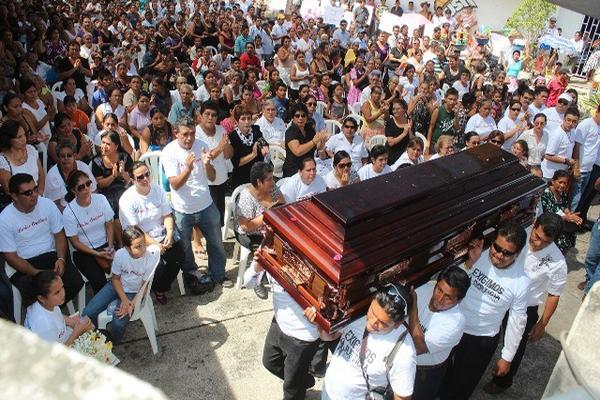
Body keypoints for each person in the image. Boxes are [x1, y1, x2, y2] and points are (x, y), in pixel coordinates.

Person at [440, 222, 530, 400]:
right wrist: (469, 263)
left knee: (460, 387)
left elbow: (517, 322)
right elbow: (450, 282)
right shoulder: (478, 253)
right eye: (497, 247)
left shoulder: (521, 282)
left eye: (507, 253)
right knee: (437, 374)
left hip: (480, 340)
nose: (498, 255)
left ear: (517, 254)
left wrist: (507, 357)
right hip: (451, 324)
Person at [483, 213, 567, 394]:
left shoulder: (558, 262)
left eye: (545, 242)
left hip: (525, 307)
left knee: (516, 345)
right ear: (535, 225)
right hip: (498, 294)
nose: (538, 244)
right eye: (536, 237)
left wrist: (543, 323)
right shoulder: (519, 234)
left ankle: (502, 381)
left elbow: (554, 294)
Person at [161, 117, 230, 292]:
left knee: (216, 244)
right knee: (185, 249)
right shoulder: (169, 152)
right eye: (185, 134)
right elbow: (174, 184)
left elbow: (212, 177)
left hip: (206, 204)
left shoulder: (202, 145)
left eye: (192, 133)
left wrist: (207, 165)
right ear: (176, 133)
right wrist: (188, 169)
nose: (189, 138)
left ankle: (218, 275)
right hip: (182, 209)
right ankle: (192, 276)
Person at [318, 283, 417, 400]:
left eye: (382, 323)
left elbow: (402, 397)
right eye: (373, 312)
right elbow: (328, 337)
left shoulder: (404, 352)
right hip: (328, 391)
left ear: (398, 324)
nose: (372, 321)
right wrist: (318, 320)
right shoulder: (357, 312)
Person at [0, 173, 84, 304]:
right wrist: (36, 273)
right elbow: (11, 258)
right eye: (27, 193)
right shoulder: (4, 219)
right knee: (37, 294)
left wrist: (61, 259)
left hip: (50, 256)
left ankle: (53, 314)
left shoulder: (47, 204)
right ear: (14, 196)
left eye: (35, 189)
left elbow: (59, 234)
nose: (34, 195)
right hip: (24, 265)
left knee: (75, 282)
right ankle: (48, 317)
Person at [119, 162, 185, 304]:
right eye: (140, 177)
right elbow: (135, 229)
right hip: (140, 240)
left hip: (161, 234)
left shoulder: (158, 190)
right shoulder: (127, 199)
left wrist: (169, 234)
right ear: (132, 180)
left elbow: (167, 215)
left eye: (147, 174)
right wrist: (155, 244)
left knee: (179, 256)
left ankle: (159, 288)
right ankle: (152, 288)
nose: (145, 179)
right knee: (158, 265)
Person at [83, 226, 160, 343]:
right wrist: (124, 300)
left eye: (144, 243)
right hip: (116, 286)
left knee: (118, 323)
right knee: (88, 312)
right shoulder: (120, 255)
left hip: (135, 291)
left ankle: (112, 341)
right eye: (138, 246)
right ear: (127, 248)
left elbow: (144, 287)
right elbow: (115, 279)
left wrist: (132, 304)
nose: (143, 248)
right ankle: (94, 337)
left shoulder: (150, 259)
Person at [408, 266, 470, 400]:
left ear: (459, 300)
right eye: (439, 290)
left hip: (422, 374)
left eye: (448, 297)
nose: (440, 299)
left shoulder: (455, 323)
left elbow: (418, 346)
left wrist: (413, 306)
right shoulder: (424, 289)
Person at [62, 170, 114, 295]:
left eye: (88, 183)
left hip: (105, 245)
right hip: (84, 252)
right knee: (99, 282)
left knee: (125, 269)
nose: (86, 188)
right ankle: (103, 309)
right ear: (73, 191)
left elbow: (110, 223)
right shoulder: (69, 212)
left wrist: (110, 246)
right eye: (81, 187)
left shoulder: (101, 199)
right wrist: (96, 253)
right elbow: (75, 242)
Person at [24, 270, 93, 345]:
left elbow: (55, 315)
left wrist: (71, 321)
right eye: (57, 292)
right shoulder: (44, 325)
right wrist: (77, 332)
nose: (63, 293)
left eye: (62, 287)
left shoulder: (46, 304)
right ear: (41, 298)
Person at [195, 103, 234, 225]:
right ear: (200, 116)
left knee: (219, 217)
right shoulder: (195, 133)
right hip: (204, 181)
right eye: (207, 114)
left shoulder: (221, 130)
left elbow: (229, 155)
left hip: (221, 178)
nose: (210, 118)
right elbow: (206, 157)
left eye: (214, 115)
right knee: (207, 218)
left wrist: (225, 145)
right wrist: (220, 146)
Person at [44, 141, 97, 212]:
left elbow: (94, 191)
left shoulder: (83, 167)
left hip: (88, 206)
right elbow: (55, 205)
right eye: (62, 156)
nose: (66, 158)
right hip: (66, 212)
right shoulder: (52, 175)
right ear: (58, 158)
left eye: (69, 155)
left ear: (74, 156)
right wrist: (74, 213)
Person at [0, 121, 46, 200]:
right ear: (9, 139)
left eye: (24, 135)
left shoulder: (31, 149)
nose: (24, 139)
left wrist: (40, 193)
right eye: (19, 137)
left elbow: (41, 174)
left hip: (39, 196)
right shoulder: (3, 160)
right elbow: (8, 190)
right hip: (21, 202)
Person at [540, 170, 582, 253]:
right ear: (553, 181)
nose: (562, 185)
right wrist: (568, 218)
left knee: (571, 236)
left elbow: (564, 207)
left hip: (560, 221)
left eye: (565, 183)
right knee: (562, 243)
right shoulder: (546, 194)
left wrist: (570, 214)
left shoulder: (562, 193)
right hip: (548, 224)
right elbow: (550, 216)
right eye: (560, 182)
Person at [229, 105, 269, 189]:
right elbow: (236, 163)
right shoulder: (233, 137)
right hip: (242, 178)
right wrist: (253, 155)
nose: (247, 122)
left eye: (249, 118)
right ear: (236, 121)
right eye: (243, 119)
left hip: (258, 174)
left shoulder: (255, 129)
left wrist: (264, 147)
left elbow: (261, 140)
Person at [283, 103, 327, 178]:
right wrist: (313, 141)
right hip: (294, 171)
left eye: (303, 115)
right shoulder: (290, 132)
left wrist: (322, 140)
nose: (300, 118)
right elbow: (298, 151)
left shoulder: (309, 129)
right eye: (297, 116)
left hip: (309, 168)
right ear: (293, 118)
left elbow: (318, 147)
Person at [570, 107, 600, 211]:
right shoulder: (586, 124)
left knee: (581, 198)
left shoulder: (599, 127)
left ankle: (573, 223)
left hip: (589, 169)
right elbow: (577, 146)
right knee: (575, 199)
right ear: (597, 112)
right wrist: (576, 167)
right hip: (580, 169)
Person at [540, 107, 580, 181]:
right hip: (549, 175)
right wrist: (566, 161)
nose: (570, 123)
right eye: (568, 120)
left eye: (574, 121)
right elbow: (548, 155)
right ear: (564, 119)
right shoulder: (557, 134)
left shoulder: (573, 132)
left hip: (561, 174)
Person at [427, 88, 458, 154]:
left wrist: (456, 115)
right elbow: (431, 127)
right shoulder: (438, 110)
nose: (452, 102)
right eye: (450, 99)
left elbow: (456, 128)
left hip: (448, 145)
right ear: (445, 99)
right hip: (436, 143)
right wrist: (427, 145)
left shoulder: (454, 112)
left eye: (454, 100)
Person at [385, 99, 412, 165]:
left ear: (404, 110)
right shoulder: (390, 122)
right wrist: (404, 133)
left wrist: (410, 130)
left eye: (398, 109)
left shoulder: (409, 121)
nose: (395, 111)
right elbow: (391, 143)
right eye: (393, 109)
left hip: (405, 155)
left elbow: (412, 139)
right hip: (391, 156)